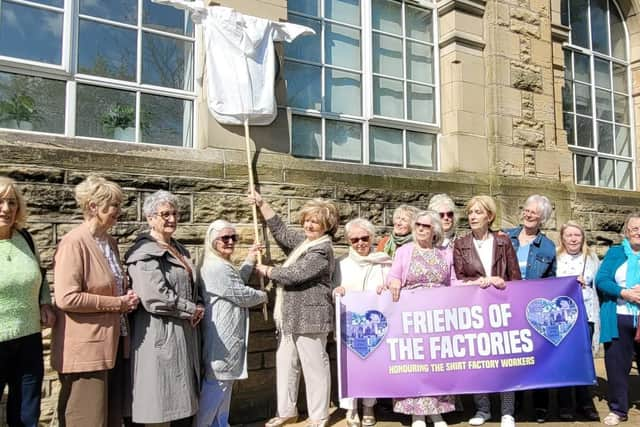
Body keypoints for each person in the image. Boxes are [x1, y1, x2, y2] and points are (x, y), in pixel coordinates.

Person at [51, 175, 139, 427]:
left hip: (113, 345)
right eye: (114, 205)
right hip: (86, 349)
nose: (118, 212)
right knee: (86, 418)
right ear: (92, 206)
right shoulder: (74, 243)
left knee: (111, 418)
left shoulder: (109, 242)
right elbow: (68, 297)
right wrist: (118, 303)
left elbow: (111, 285)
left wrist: (129, 295)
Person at [248, 189, 338, 427]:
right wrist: (262, 203)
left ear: (326, 225)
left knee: (315, 367)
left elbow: (296, 274)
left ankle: (319, 415)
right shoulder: (305, 243)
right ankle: (287, 412)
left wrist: (268, 271)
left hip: (311, 317)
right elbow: (283, 234)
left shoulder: (321, 249)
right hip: (288, 316)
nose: (309, 225)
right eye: (307, 220)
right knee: (286, 366)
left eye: (315, 221)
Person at [125, 190, 204, 426]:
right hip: (158, 334)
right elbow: (155, 297)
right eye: (164, 214)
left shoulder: (178, 248)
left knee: (182, 401)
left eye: (174, 213)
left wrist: (197, 302)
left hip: (183, 332)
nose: (171, 219)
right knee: (161, 399)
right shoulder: (143, 254)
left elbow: (191, 284)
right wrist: (191, 309)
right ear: (150, 218)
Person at [453, 195, 521, 427]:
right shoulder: (460, 244)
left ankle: (507, 411)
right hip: (474, 310)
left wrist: (502, 282)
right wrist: (478, 282)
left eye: (478, 212)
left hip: (501, 308)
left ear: (489, 216)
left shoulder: (503, 242)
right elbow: (458, 279)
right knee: (477, 359)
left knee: (505, 360)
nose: (472, 216)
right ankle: (483, 409)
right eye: (470, 212)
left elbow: (516, 278)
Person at [384, 210, 456, 427]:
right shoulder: (405, 251)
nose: (421, 229)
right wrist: (393, 282)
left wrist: (478, 286)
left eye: (426, 225)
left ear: (435, 229)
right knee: (414, 364)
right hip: (412, 317)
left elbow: (454, 281)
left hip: (438, 317)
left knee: (436, 365)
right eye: (418, 225)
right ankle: (416, 413)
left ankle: (436, 411)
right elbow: (394, 275)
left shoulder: (446, 252)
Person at [196, 219, 268, 427]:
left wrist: (250, 258)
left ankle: (220, 424)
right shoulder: (215, 266)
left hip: (225, 334)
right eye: (224, 238)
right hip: (221, 336)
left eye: (233, 237)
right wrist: (264, 295)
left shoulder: (221, 264)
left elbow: (236, 281)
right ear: (212, 241)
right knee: (217, 383)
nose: (229, 241)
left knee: (224, 383)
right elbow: (241, 294)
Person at [0, 177, 55, 427]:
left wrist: (44, 303)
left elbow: (40, 275)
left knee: (26, 415)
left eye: (12, 202)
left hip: (29, 338)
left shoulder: (25, 238)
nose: (7, 209)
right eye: (0, 202)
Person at [333, 218, 392, 427]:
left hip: (374, 326)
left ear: (371, 238)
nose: (360, 243)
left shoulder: (384, 262)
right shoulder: (340, 264)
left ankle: (368, 406)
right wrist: (336, 291)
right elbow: (331, 289)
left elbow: (391, 288)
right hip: (348, 326)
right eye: (354, 239)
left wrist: (385, 288)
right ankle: (351, 409)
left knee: (371, 367)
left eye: (364, 238)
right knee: (348, 368)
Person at [504, 194, 556, 423]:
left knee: (537, 356)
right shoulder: (505, 237)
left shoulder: (547, 246)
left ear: (542, 217)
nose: (528, 214)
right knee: (511, 356)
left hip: (533, 309)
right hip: (507, 305)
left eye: (534, 212)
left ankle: (540, 406)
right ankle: (510, 406)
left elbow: (552, 280)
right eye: (526, 209)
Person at [595, 212, 640, 426]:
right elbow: (601, 280)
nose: (638, 232)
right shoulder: (615, 253)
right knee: (616, 366)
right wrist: (624, 293)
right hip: (619, 317)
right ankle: (618, 409)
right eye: (634, 228)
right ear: (626, 232)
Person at [555, 221, 600, 421]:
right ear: (562, 238)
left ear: (583, 238)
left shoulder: (592, 258)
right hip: (562, 318)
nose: (573, 239)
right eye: (569, 235)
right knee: (564, 360)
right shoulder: (556, 258)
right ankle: (564, 404)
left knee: (584, 359)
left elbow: (599, 285)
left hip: (586, 314)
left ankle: (585, 403)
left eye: (577, 235)